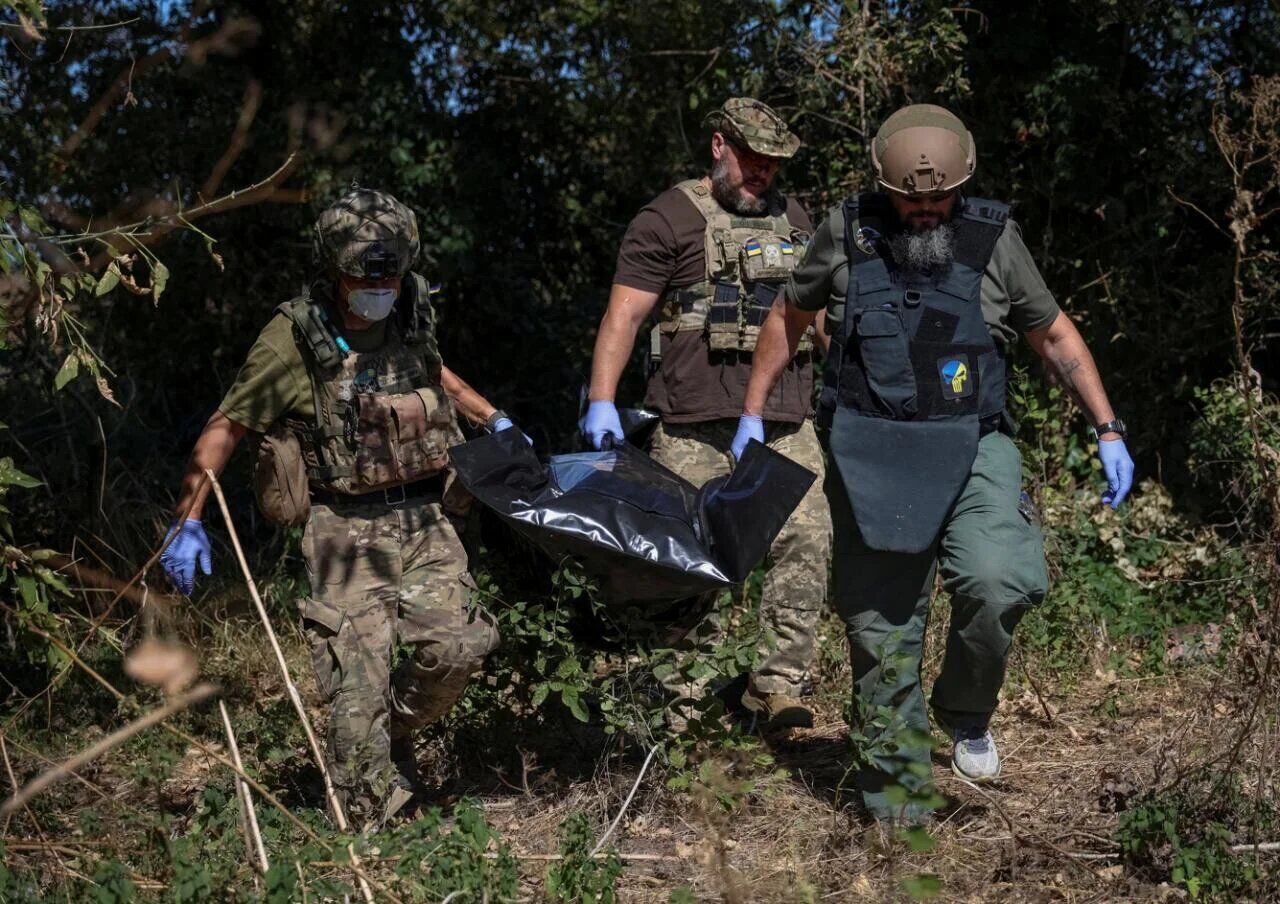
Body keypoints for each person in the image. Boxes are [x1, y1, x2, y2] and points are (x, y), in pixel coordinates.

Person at [738, 104, 1135, 821]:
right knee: (879, 624)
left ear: (963, 185)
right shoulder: (845, 231)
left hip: (974, 441)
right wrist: (751, 413)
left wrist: (1107, 427)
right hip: (870, 446)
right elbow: (788, 317)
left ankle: (966, 711)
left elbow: (1054, 336)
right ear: (886, 188)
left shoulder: (994, 237)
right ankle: (899, 805)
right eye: (910, 199)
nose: (925, 210)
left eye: (938, 198)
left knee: (1000, 575)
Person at [160, 187, 517, 827]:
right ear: (333, 265)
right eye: (364, 272)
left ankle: (388, 738)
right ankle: (368, 830)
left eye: (390, 270)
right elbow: (226, 426)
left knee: (460, 645)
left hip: (425, 517)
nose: (380, 284)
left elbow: (435, 374)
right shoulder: (293, 337)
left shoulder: (411, 307)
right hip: (343, 528)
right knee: (357, 685)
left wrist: (494, 419)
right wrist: (188, 520)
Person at [583, 98, 833, 729]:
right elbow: (625, 316)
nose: (762, 174)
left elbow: (822, 320)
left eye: (773, 165)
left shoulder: (798, 220)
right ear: (719, 145)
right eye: (752, 159)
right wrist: (602, 399)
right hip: (691, 423)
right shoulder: (666, 219)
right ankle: (686, 701)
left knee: (805, 543)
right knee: (693, 562)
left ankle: (775, 689)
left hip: (785, 420)